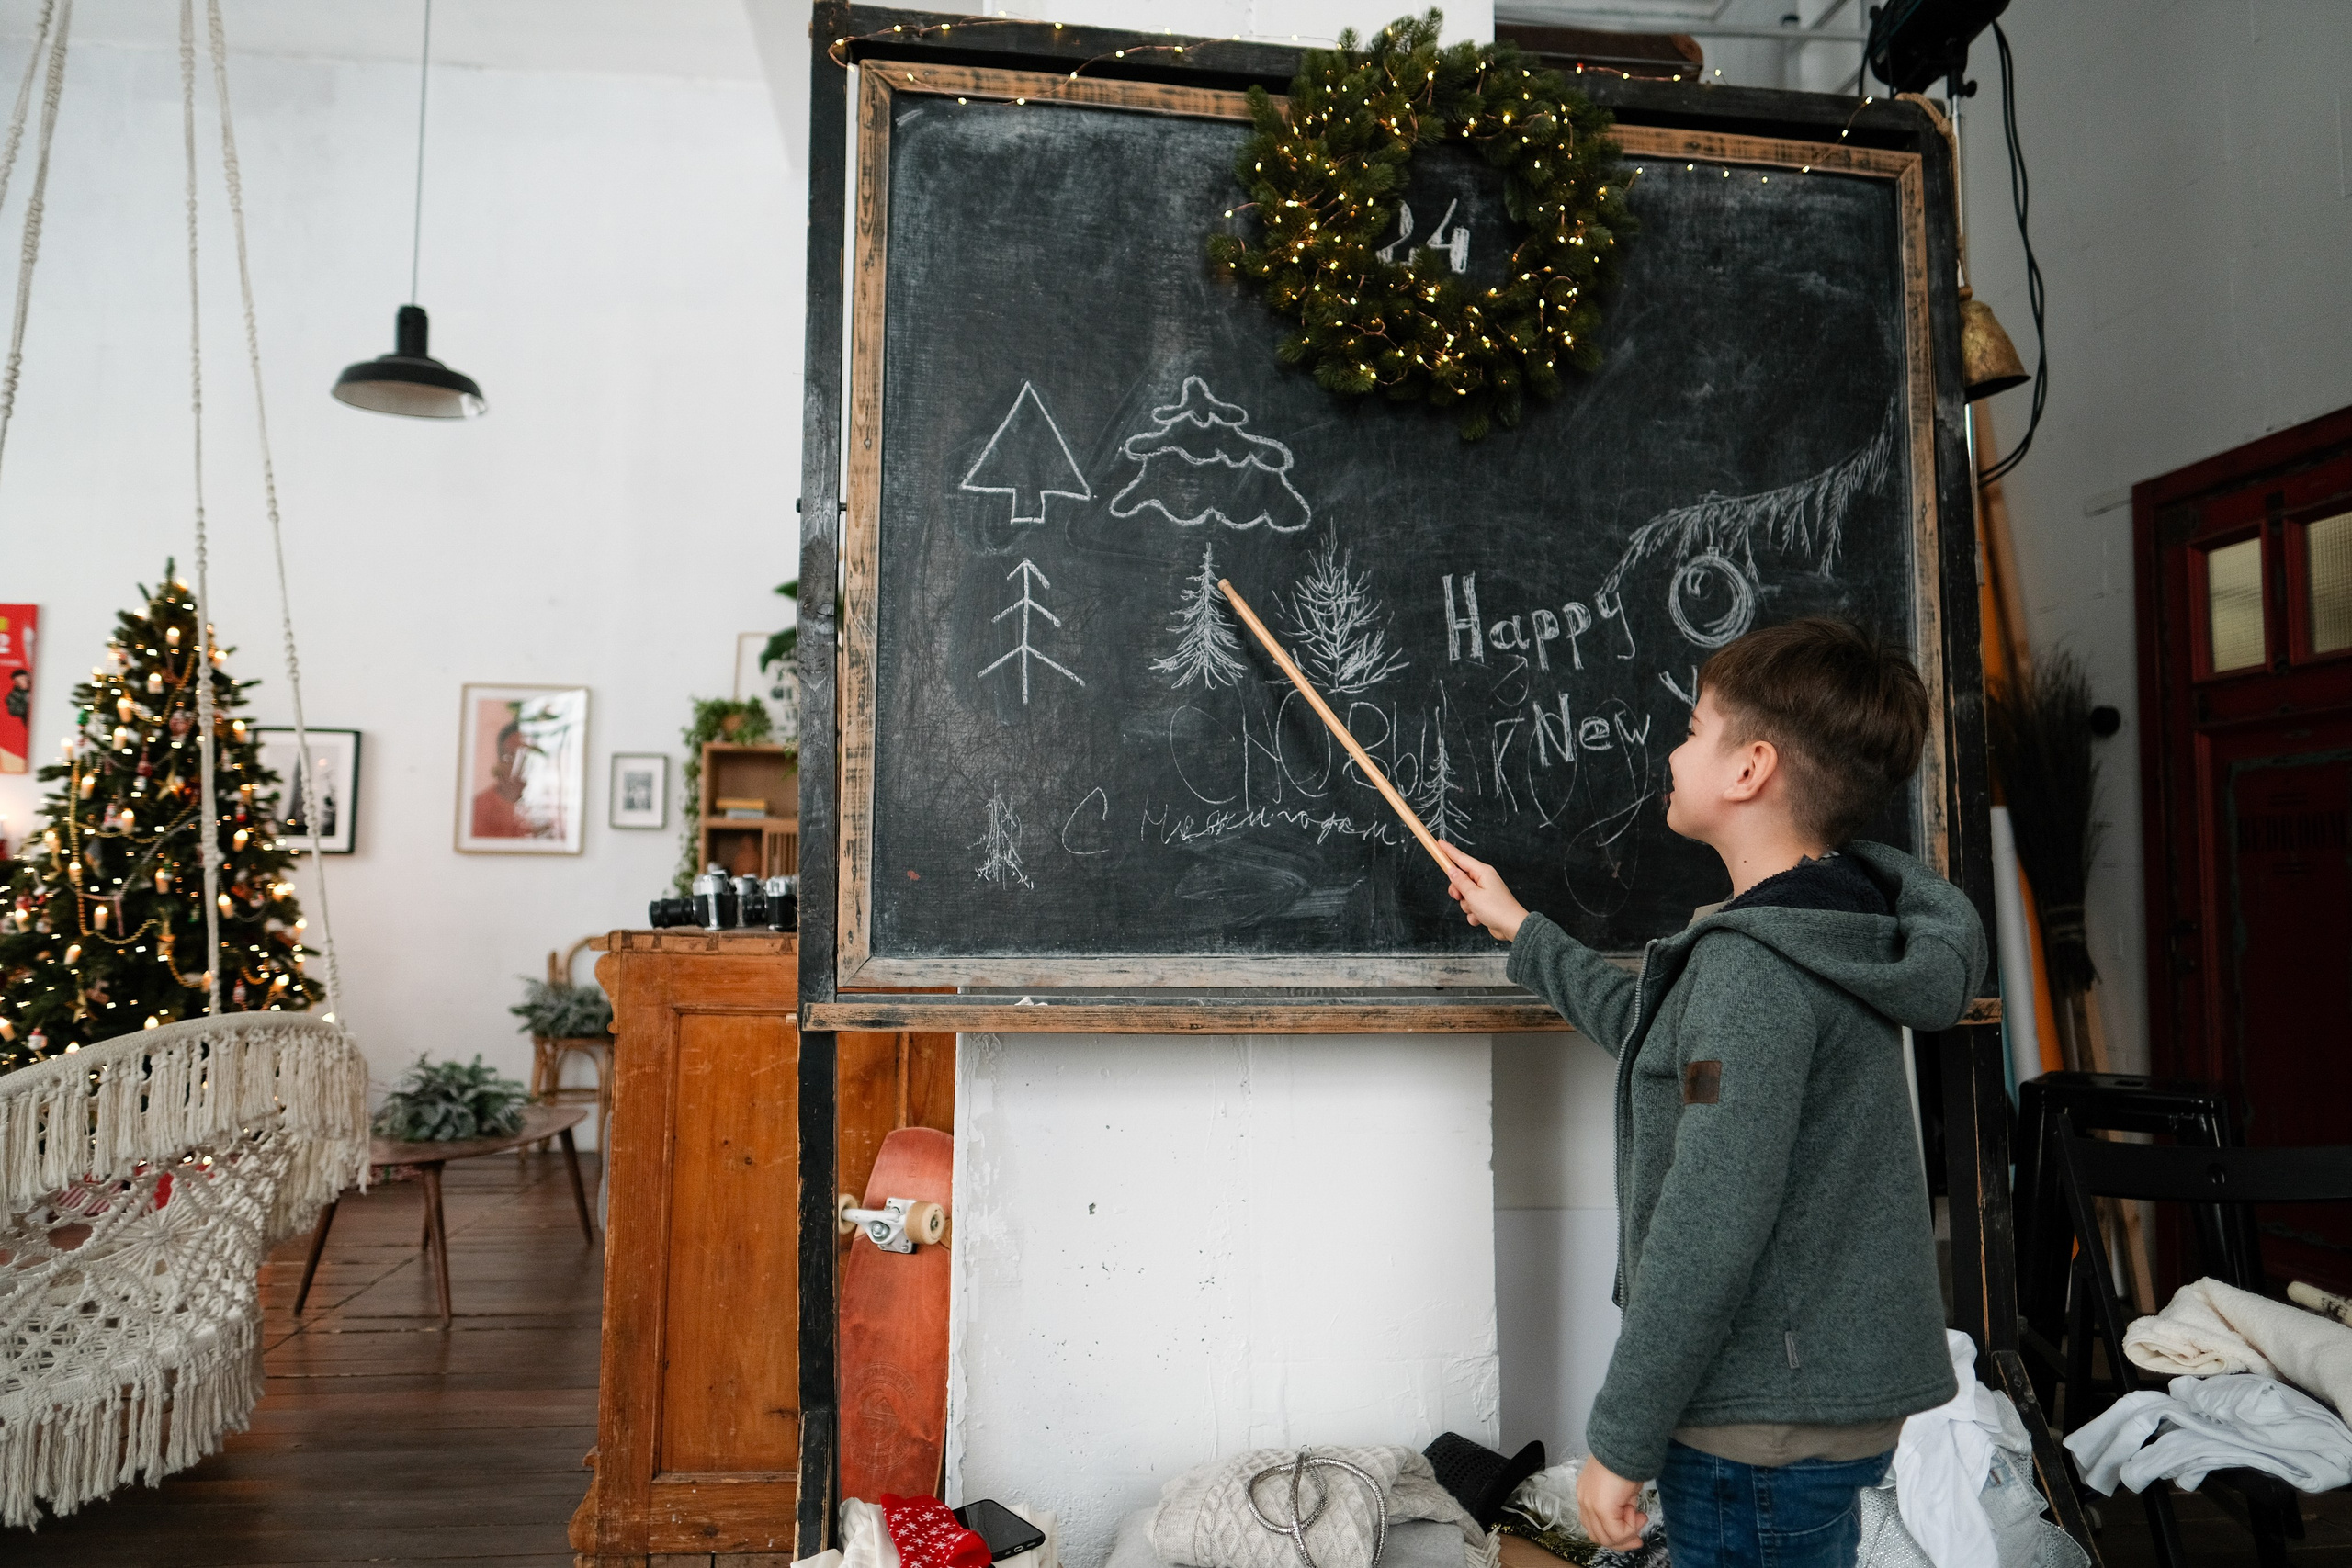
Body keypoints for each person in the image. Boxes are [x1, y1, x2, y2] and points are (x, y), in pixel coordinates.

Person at [1438, 616, 1984, 1568]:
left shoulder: (1754, 970)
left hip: (1757, 1424)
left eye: (1693, 729)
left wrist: (1620, 1439)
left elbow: (1710, 1217)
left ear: (1749, 770)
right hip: (1813, 1394)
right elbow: (1660, 1044)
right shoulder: (1818, 929)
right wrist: (1523, 932)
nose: (1672, 748)